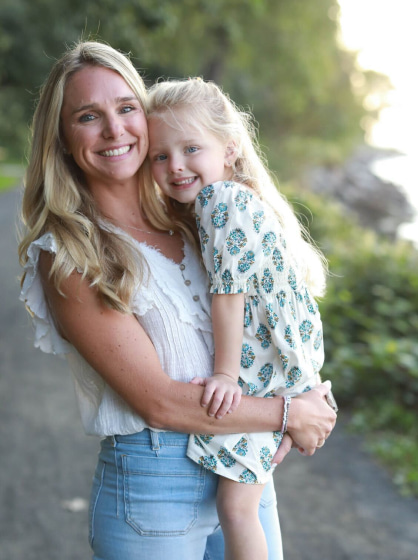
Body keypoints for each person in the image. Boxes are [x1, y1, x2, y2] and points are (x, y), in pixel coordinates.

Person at [18, 41, 336, 560]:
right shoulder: (71, 254)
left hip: (241, 464)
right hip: (155, 492)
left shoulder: (196, 218)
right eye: (88, 116)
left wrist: (308, 391)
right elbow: (157, 401)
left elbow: (270, 309)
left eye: (125, 109)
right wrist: (286, 413)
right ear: (62, 138)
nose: (115, 130)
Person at [147, 77, 336, 560]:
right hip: (279, 369)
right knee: (240, 504)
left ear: (229, 148)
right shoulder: (237, 199)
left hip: (260, 373)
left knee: (236, 509)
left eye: (192, 148)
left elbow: (228, 294)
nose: (177, 165)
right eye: (160, 156)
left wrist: (227, 376)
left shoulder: (220, 202)